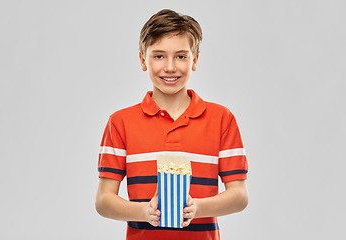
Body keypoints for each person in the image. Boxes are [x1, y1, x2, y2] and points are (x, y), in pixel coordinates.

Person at [95, 9, 249, 240]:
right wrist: (143, 212)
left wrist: (197, 208)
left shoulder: (222, 119)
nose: (169, 67)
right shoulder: (120, 123)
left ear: (195, 59)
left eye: (181, 56)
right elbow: (103, 200)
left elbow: (239, 196)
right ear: (142, 60)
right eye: (158, 56)